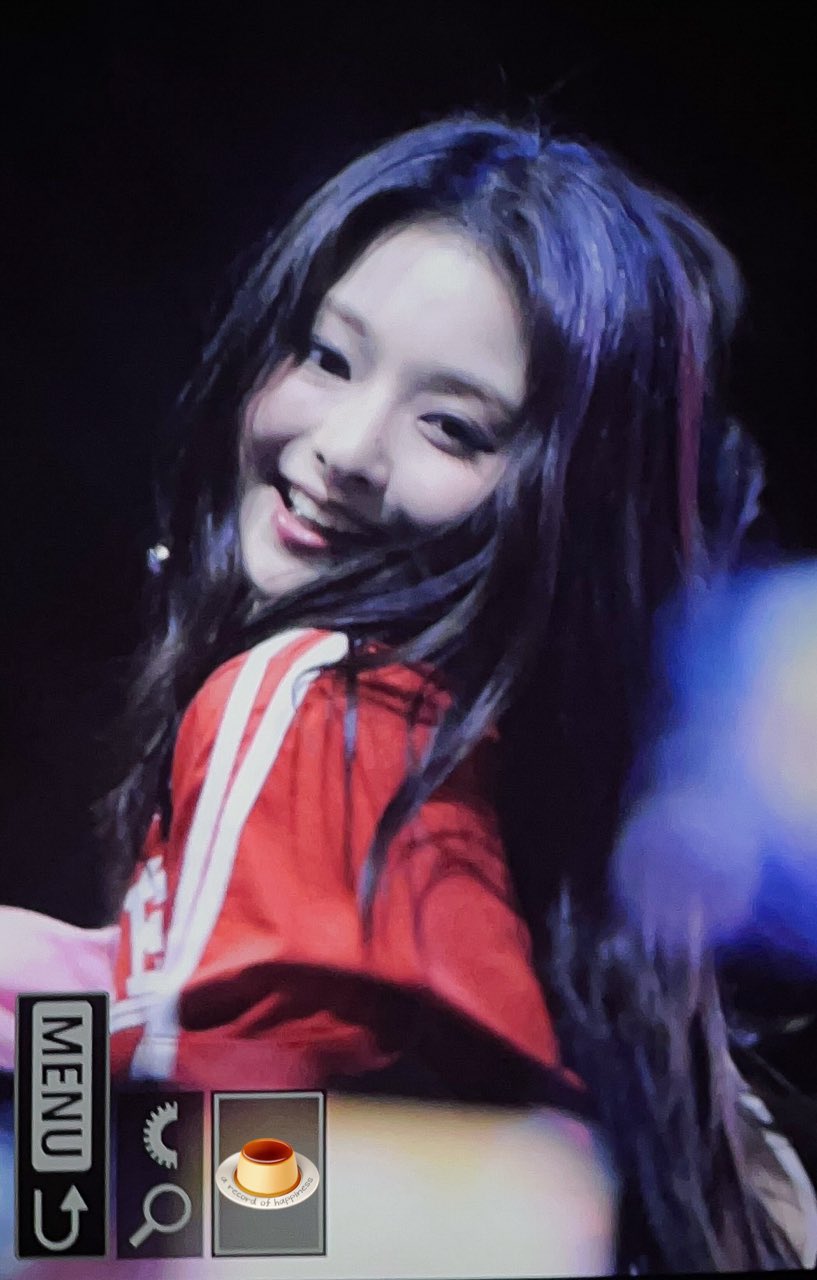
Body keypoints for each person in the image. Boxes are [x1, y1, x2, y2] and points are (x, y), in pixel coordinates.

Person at [1, 112, 815, 1273]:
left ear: (564, 503)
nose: (345, 446)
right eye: (326, 356)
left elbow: (190, 1219)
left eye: (451, 426)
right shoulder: (574, 849)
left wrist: (46, 1008)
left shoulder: (306, 693)